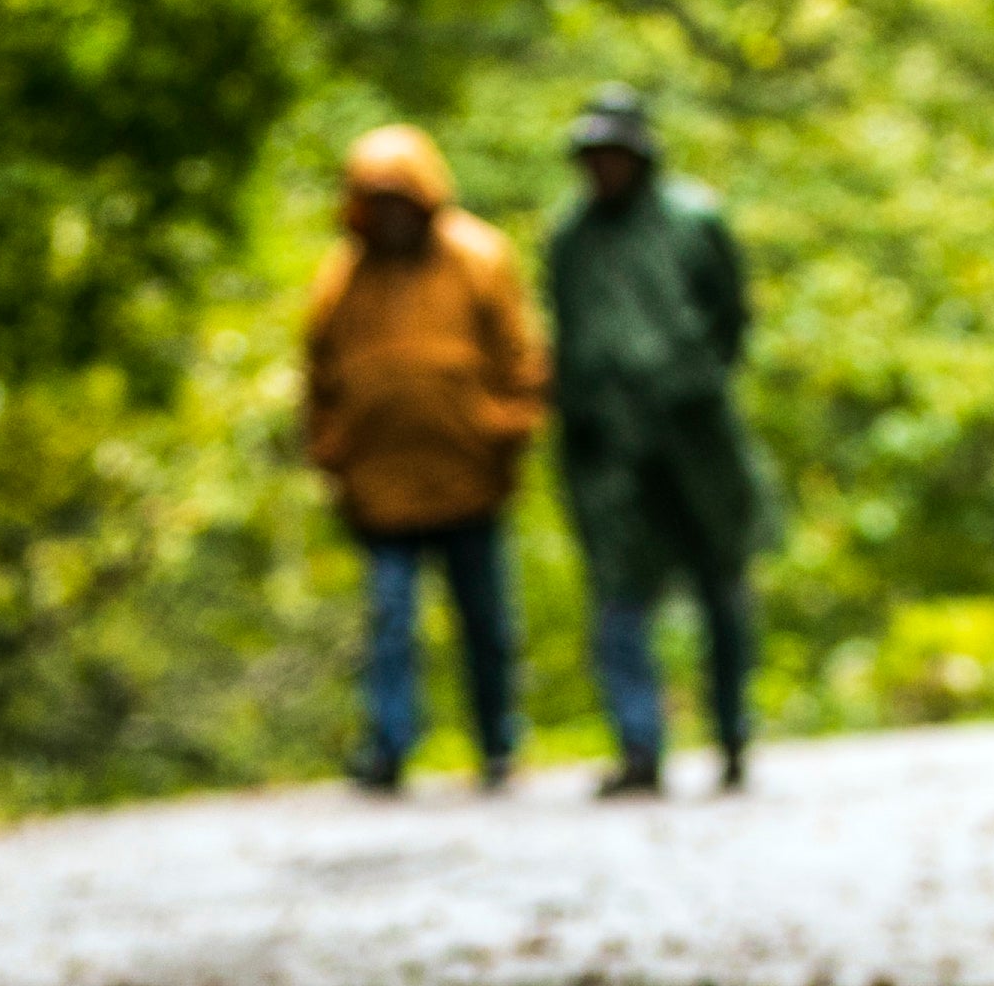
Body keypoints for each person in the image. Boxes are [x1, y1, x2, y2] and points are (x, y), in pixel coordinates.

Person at [300, 121, 549, 793]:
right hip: (381, 490)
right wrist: (333, 456)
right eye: (373, 199)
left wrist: (504, 430)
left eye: (398, 197)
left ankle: (498, 741)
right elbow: (319, 382)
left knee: (486, 621)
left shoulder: (479, 258)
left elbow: (523, 359)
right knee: (389, 623)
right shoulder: (341, 282)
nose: (387, 213)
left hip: (469, 477)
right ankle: (388, 745)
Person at [546, 86, 769, 796]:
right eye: (594, 156)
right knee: (619, 594)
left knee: (720, 583)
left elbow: (731, 317)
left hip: (693, 435)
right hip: (609, 444)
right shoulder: (568, 237)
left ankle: (733, 733)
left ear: (640, 155)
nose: (604, 168)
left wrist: (690, 376)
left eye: (616, 154)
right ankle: (639, 747)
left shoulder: (693, 218)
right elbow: (565, 330)